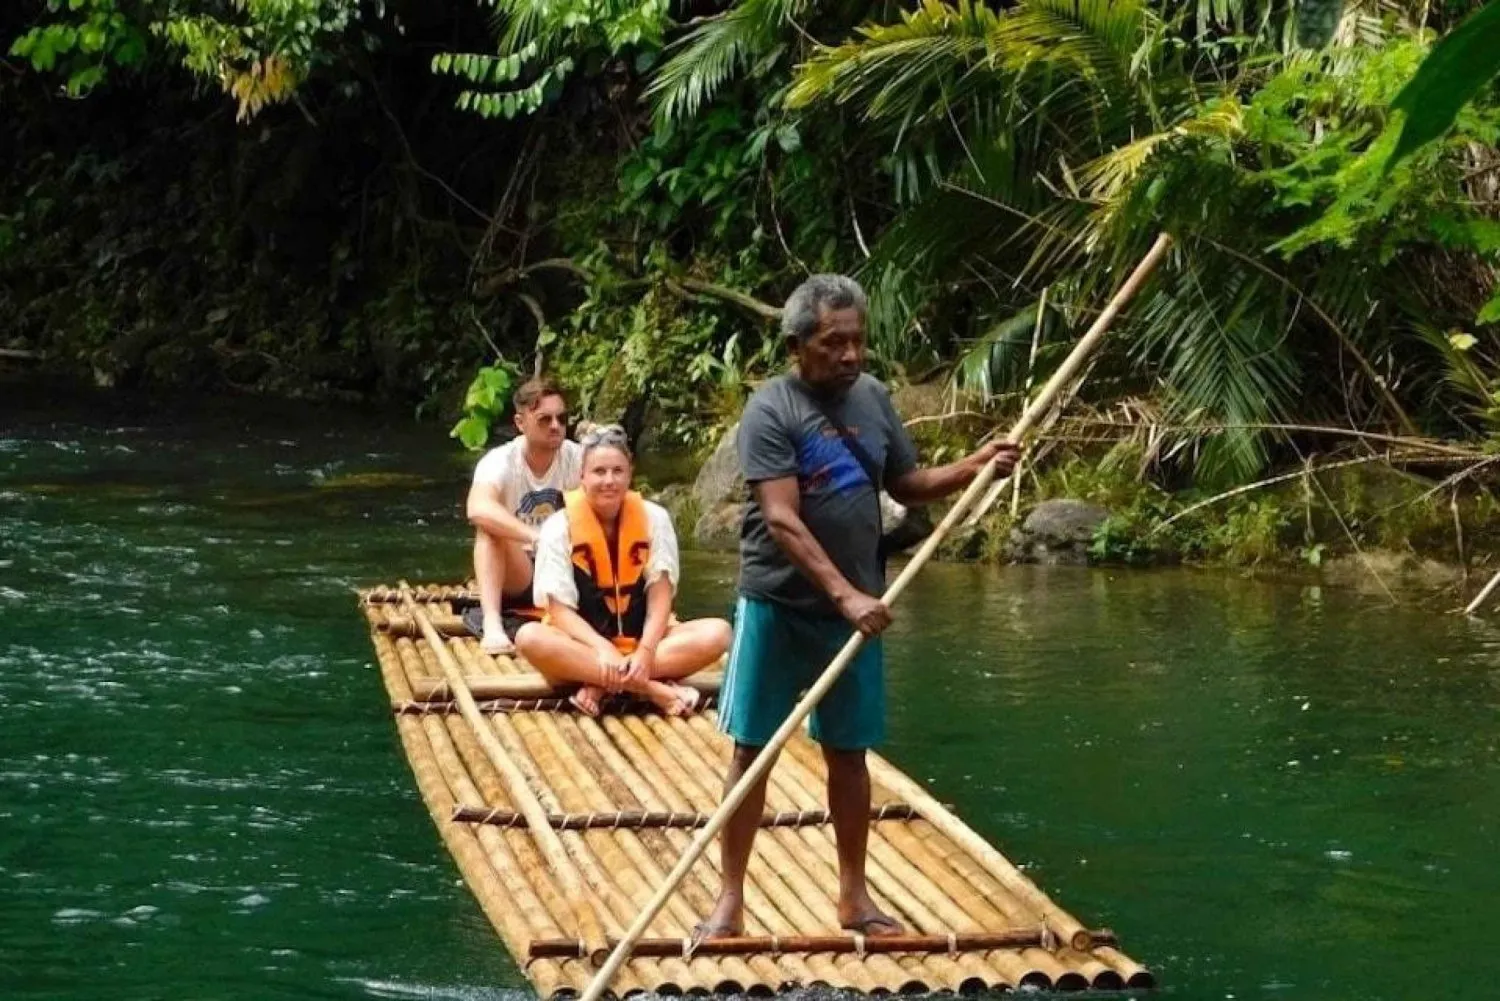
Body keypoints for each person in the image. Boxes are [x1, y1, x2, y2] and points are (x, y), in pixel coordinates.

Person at [699, 274, 1021, 940]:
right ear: (797, 344)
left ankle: (853, 897)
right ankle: (730, 899)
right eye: (833, 342)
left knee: (850, 754)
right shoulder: (771, 409)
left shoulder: (873, 399)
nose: (850, 355)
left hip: (856, 608)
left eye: (858, 341)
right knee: (751, 750)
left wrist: (973, 466)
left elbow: (904, 483)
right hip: (779, 603)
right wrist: (843, 592)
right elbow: (782, 519)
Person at [515, 424, 732, 717]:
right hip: (584, 647)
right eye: (599, 472)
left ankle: (601, 684)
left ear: (630, 474)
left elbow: (660, 594)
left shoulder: (655, 518)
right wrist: (603, 649)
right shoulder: (559, 527)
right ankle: (650, 689)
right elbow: (559, 610)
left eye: (617, 471)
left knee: (718, 633)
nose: (609, 480)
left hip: (643, 646)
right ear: (582, 477)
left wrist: (644, 651)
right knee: (530, 638)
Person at [465, 377, 583, 655]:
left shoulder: (579, 458)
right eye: (544, 419)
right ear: (520, 423)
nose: (555, 426)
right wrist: (538, 537)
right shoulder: (500, 461)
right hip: (521, 568)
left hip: (567, 568)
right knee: (489, 527)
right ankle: (492, 623)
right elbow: (477, 508)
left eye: (561, 418)